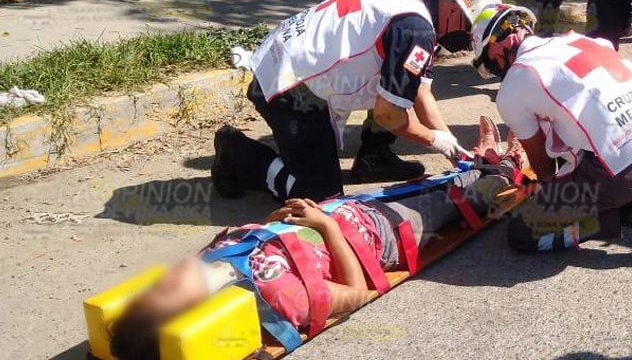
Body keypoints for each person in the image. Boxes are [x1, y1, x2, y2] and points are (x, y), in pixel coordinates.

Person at [107, 135, 526, 360]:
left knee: (429, 184)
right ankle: (502, 168)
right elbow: (359, 292)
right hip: (381, 236)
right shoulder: (274, 298)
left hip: (346, 210)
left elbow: (258, 238)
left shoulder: (208, 266)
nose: (165, 276)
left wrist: (276, 221)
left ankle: (480, 162)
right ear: (194, 316)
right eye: (165, 291)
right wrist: (326, 226)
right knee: (456, 199)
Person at [210, 0, 503, 203]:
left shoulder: (416, 7)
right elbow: (390, 115)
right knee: (318, 199)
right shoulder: (416, 30)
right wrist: (435, 141)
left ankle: (373, 158)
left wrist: (455, 150)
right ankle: (239, 153)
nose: (467, 37)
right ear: (452, 5)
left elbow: (420, 92)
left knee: (397, 88)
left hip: (289, 67)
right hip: (288, 87)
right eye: (469, 25)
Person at [469, 3, 632, 260]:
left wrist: (550, 200)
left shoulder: (515, 83)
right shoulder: (574, 40)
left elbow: (545, 170)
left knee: (522, 232)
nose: (493, 71)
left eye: (489, 65)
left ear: (497, 47)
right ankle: (618, 199)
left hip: (625, 170)